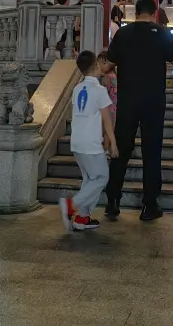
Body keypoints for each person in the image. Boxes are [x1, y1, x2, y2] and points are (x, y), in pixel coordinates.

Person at [106, 0, 173, 222]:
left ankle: (113, 201)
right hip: (154, 101)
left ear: (135, 12)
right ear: (154, 12)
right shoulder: (162, 33)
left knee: (121, 150)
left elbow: (110, 62)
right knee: (152, 151)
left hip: (128, 100)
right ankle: (149, 205)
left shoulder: (123, 33)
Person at [59, 50, 117, 232]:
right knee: (101, 177)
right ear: (95, 66)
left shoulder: (77, 88)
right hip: (91, 143)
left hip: (77, 141)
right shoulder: (99, 90)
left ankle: (83, 218)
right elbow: (107, 120)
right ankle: (71, 205)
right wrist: (113, 143)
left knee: (89, 180)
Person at [97, 50, 117, 125]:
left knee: (107, 130)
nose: (101, 66)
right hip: (114, 106)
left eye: (104, 63)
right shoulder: (113, 75)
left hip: (108, 107)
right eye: (99, 64)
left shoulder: (107, 77)